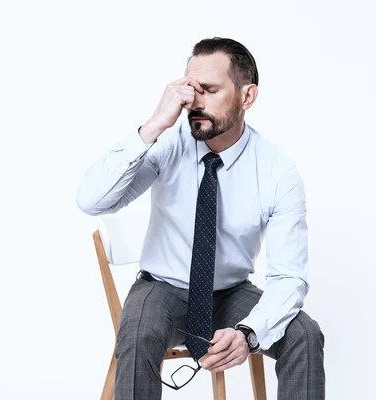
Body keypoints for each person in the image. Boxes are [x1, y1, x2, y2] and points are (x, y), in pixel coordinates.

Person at [76, 37, 325, 400]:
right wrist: (153, 125)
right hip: (161, 287)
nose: (194, 102)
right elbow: (92, 200)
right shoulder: (168, 142)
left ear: (247, 96)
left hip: (230, 293)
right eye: (190, 89)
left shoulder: (277, 173)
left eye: (209, 90)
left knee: (304, 334)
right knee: (139, 332)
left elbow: (289, 277)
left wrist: (249, 333)